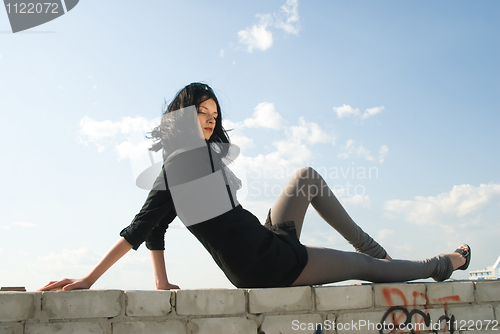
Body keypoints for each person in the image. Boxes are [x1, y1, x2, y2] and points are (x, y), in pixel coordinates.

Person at [39, 83, 471, 292]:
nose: (210, 119)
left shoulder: (197, 160)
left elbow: (157, 230)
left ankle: (383, 258)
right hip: (262, 265)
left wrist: (161, 283)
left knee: (305, 177)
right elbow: (141, 229)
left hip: (262, 241)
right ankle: (441, 264)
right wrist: (89, 279)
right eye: (200, 112)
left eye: (214, 113)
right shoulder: (176, 166)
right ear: (181, 117)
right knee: (361, 267)